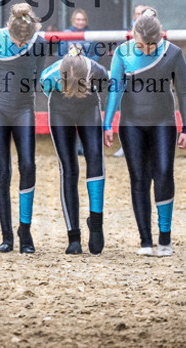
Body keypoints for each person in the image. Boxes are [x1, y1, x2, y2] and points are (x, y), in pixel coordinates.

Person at [104, 7, 186, 257]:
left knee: (163, 173)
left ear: (161, 37)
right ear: (133, 37)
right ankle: (145, 239)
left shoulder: (173, 53)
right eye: (140, 46)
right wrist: (107, 123)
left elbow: (183, 92)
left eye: (150, 47)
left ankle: (165, 237)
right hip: (131, 124)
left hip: (163, 122)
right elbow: (115, 90)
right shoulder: (123, 52)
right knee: (139, 178)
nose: (145, 50)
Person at [0, 3, 46, 254]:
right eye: (16, 41)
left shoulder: (39, 42)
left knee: (28, 165)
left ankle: (25, 231)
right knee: (3, 170)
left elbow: (38, 76)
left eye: (25, 42)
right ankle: (7, 235)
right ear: (8, 29)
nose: (20, 45)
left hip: (23, 108)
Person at [41, 46, 109, 254]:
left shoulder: (97, 72)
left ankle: (96, 224)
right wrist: (67, 90)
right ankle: (74, 236)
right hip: (61, 108)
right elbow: (46, 92)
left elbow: (105, 88)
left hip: (88, 105)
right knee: (69, 168)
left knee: (95, 159)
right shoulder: (49, 76)